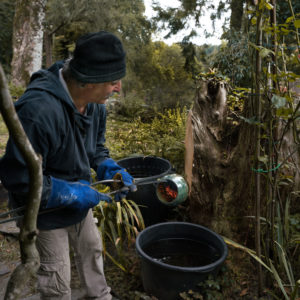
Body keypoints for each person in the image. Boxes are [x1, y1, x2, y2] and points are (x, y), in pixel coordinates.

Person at [0, 31, 136, 300]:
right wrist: (71, 192)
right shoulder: (38, 112)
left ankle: (99, 295)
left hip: (79, 200)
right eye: (113, 81)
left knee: (92, 249)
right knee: (56, 275)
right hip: (42, 212)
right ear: (89, 82)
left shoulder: (96, 105)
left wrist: (107, 166)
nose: (118, 87)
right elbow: (18, 179)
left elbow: (96, 148)